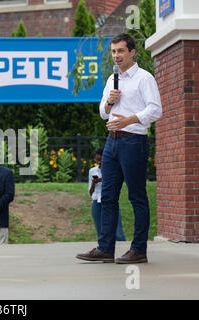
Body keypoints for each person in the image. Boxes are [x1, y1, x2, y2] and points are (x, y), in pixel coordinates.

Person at [76, 33, 162, 264]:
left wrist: (129, 120)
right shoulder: (111, 79)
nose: (116, 56)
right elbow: (104, 112)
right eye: (113, 52)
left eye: (121, 51)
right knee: (107, 197)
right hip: (111, 142)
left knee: (137, 197)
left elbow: (156, 110)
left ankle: (139, 250)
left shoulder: (145, 78)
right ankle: (105, 247)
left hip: (133, 142)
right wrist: (109, 102)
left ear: (132, 52)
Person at [88, 147, 125, 242]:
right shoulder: (92, 171)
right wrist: (94, 182)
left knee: (118, 232)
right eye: (97, 160)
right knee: (101, 232)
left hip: (110, 201)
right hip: (97, 202)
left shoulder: (113, 170)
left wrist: (102, 179)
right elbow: (90, 192)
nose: (99, 162)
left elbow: (117, 187)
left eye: (101, 159)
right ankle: (103, 250)